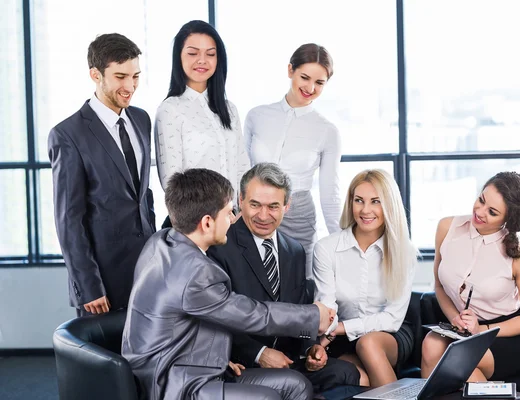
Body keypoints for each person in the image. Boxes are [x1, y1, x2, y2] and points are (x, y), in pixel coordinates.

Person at [122, 168, 335, 400]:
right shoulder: (195, 272)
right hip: (172, 382)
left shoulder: (161, 241)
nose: (233, 219)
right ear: (206, 222)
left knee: (296, 386)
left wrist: (219, 358)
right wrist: (314, 316)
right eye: (228, 213)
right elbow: (254, 315)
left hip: (191, 364)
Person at [208, 163, 360, 392]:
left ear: (287, 206)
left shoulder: (295, 251)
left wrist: (311, 348)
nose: (263, 215)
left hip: (287, 359)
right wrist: (260, 354)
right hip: (242, 362)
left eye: (273, 206)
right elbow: (218, 317)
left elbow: (298, 308)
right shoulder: (221, 244)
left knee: (347, 373)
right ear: (240, 200)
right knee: (293, 384)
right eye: (255, 204)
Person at [48, 33, 156, 316]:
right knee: (107, 359)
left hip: (148, 269)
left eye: (135, 76)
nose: (130, 86)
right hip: (103, 280)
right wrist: (88, 284)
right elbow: (69, 219)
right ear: (95, 75)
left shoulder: (141, 119)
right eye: (120, 76)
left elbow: (142, 195)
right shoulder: (68, 135)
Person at [420, 171, 520, 382]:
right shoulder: (447, 228)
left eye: (492, 212)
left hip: (505, 334)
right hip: (460, 327)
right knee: (431, 344)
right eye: (481, 200)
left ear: (508, 220)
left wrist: (481, 330)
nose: (480, 211)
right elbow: (439, 287)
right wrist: (454, 318)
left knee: (462, 360)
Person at [313, 169, 418, 388]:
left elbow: (391, 319)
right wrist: (327, 337)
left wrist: (340, 327)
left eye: (375, 201)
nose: (366, 210)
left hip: (390, 335)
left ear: (389, 205)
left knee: (369, 344)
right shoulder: (326, 248)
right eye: (359, 200)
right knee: (362, 378)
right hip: (341, 340)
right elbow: (327, 309)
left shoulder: (404, 252)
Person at [244, 43, 341, 278]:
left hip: (298, 217)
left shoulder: (327, 130)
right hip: (253, 215)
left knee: (299, 288)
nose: (310, 87)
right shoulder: (257, 116)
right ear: (290, 71)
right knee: (255, 287)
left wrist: (343, 243)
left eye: (319, 83)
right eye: (304, 77)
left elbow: (330, 192)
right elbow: (241, 170)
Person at [155, 20, 249, 227]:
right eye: (192, 53)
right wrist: (213, 216)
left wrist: (239, 211)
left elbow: (242, 167)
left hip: (233, 222)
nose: (202, 60)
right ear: (178, 57)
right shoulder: (170, 109)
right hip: (196, 225)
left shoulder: (229, 109)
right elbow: (171, 182)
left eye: (210, 54)